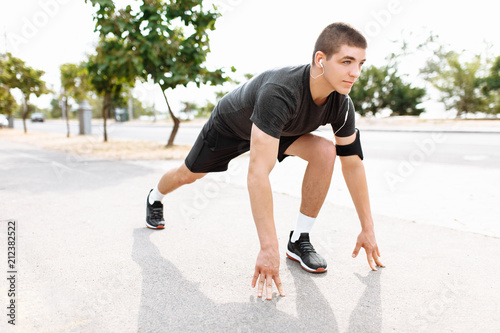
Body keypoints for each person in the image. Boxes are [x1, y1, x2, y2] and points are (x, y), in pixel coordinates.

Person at [145, 22, 385, 300]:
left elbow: (353, 163)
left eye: (360, 63)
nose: (355, 73)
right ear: (321, 60)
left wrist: (368, 228)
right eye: (346, 62)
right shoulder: (281, 91)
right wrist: (267, 248)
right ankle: (155, 197)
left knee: (325, 151)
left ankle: (299, 240)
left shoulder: (342, 104)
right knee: (188, 174)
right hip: (230, 126)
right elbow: (258, 173)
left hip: (278, 130)